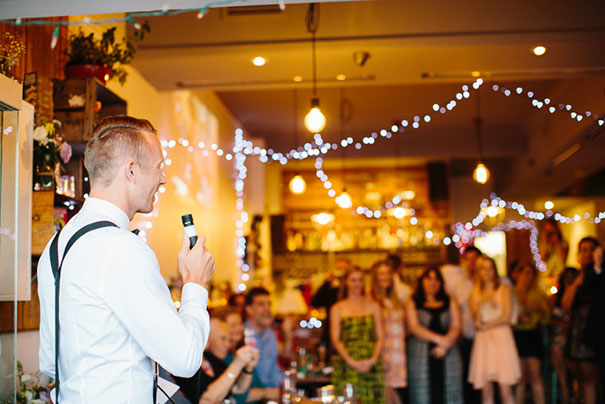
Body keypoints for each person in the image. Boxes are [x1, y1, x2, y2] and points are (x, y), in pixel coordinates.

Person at [37, 116, 216, 403]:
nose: (163, 178)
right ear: (131, 170)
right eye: (158, 166)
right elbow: (185, 358)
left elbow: (49, 360)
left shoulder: (55, 246)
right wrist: (195, 283)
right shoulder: (121, 248)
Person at [405, 267, 463, 404]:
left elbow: (456, 325)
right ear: (422, 281)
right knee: (422, 395)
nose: (433, 283)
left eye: (436, 279)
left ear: (441, 283)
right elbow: (414, 327)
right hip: (420, 356)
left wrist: (446, 344)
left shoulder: (450, 300)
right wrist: (440, 340)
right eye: (429, 278)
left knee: (451, 393)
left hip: (449, 353)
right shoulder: (412, 301)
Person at [468, 255, 521, 404]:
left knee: (505, 390)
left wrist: (487, 325)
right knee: (486, 392)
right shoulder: (475, 293)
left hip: (502, 339)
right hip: (484, 342)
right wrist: (481, 304)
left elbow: (506, 317)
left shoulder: (503, 289)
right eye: (483, 268)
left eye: (490, 268)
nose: (487, 272)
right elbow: (477, 321)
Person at [330, 266, 385, 404]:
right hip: (347, 364)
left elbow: (380, 336)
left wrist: (373, 359)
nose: (357, 284)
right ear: (346, 282)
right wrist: (351, 361)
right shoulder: (337, 308)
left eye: (360, 280)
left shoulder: (374, 306)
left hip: (371, 365)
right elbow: (335, 339)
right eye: (353, 280)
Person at [173, 318, 259, 404]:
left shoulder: (211, 359)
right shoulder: (185, 366)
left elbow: (238, 388)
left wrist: (249, 368)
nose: (228, 345)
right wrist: (237, 364)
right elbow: (206, 400)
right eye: (223, 338)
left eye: (229, 340)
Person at [561, 237, 600, 404]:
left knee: (590, 374)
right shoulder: (574, 276)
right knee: (577, 371)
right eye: (584, 250)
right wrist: (576, 283)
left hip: (593, 330)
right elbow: (565, 304)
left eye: (591, 250)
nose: (587, 254)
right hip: (576, 331)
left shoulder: (598, 274)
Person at [214, 308, 279, 404]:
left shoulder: (241, 352)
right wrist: (267, 393)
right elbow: (233, 394)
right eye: (233, 325)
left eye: (240, 323)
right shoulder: (221, 357)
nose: (239, 328)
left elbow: (258, 384)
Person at [440, 244, 479, 404]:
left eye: (474, 259)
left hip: (475, 335)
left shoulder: (466, 279)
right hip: (463, 336)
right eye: (469, 259)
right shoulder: (458, 278)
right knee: (467, 379)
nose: (472, 263)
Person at [370, 260, 407, 404]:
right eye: (381, 274)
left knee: (395, 396)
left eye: (387, 273)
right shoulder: (370, 299)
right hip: (382, 354)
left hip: (398, 356)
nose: (385, 277)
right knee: (386, 397)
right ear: (375, 277)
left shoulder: (396, 299)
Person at [512, 263, 549, 404]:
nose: (529, 277)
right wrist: (518, 318)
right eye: (526, 273)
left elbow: (546, 317)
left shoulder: (536, 293)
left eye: (531, 274)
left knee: (535, 374)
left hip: (532, 335)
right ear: (518, 274)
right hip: (517, 335)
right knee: (520, 377)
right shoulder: (511, 292)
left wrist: (538, 309)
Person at [244, 287, 292, 388]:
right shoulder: (243, 335)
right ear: (249, 309)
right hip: (258, 394)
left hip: (277, 389)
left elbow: (286, 353)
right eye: (261, 304)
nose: (267, 309)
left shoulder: (269, 333)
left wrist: (287, 333)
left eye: (269, 304)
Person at [548, 267, 577, 404]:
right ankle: (564, 387)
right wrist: (560, 325)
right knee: (556, 350)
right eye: (566, 278)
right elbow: (548, 318)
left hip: (574, 336)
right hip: (559, 335)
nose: (568, 281)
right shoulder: (555, 297)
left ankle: (576, 390)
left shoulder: (578, 295)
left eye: (572, 278)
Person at [311, 258, 352, 351]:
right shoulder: (331, 290)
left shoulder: (353, 293)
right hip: (330, 335)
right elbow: (315, 302)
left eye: (344, 269)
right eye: (339, 269)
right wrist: (327, 281)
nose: (341, 272)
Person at [539, 218, 569, 293]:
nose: (549, 233)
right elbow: (542, 258)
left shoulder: (563, 244)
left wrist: (556, 241)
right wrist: (544, 240)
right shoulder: (545, 245)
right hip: (547, 276)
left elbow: (563, 258)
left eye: (551, 231)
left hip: (559, 276)